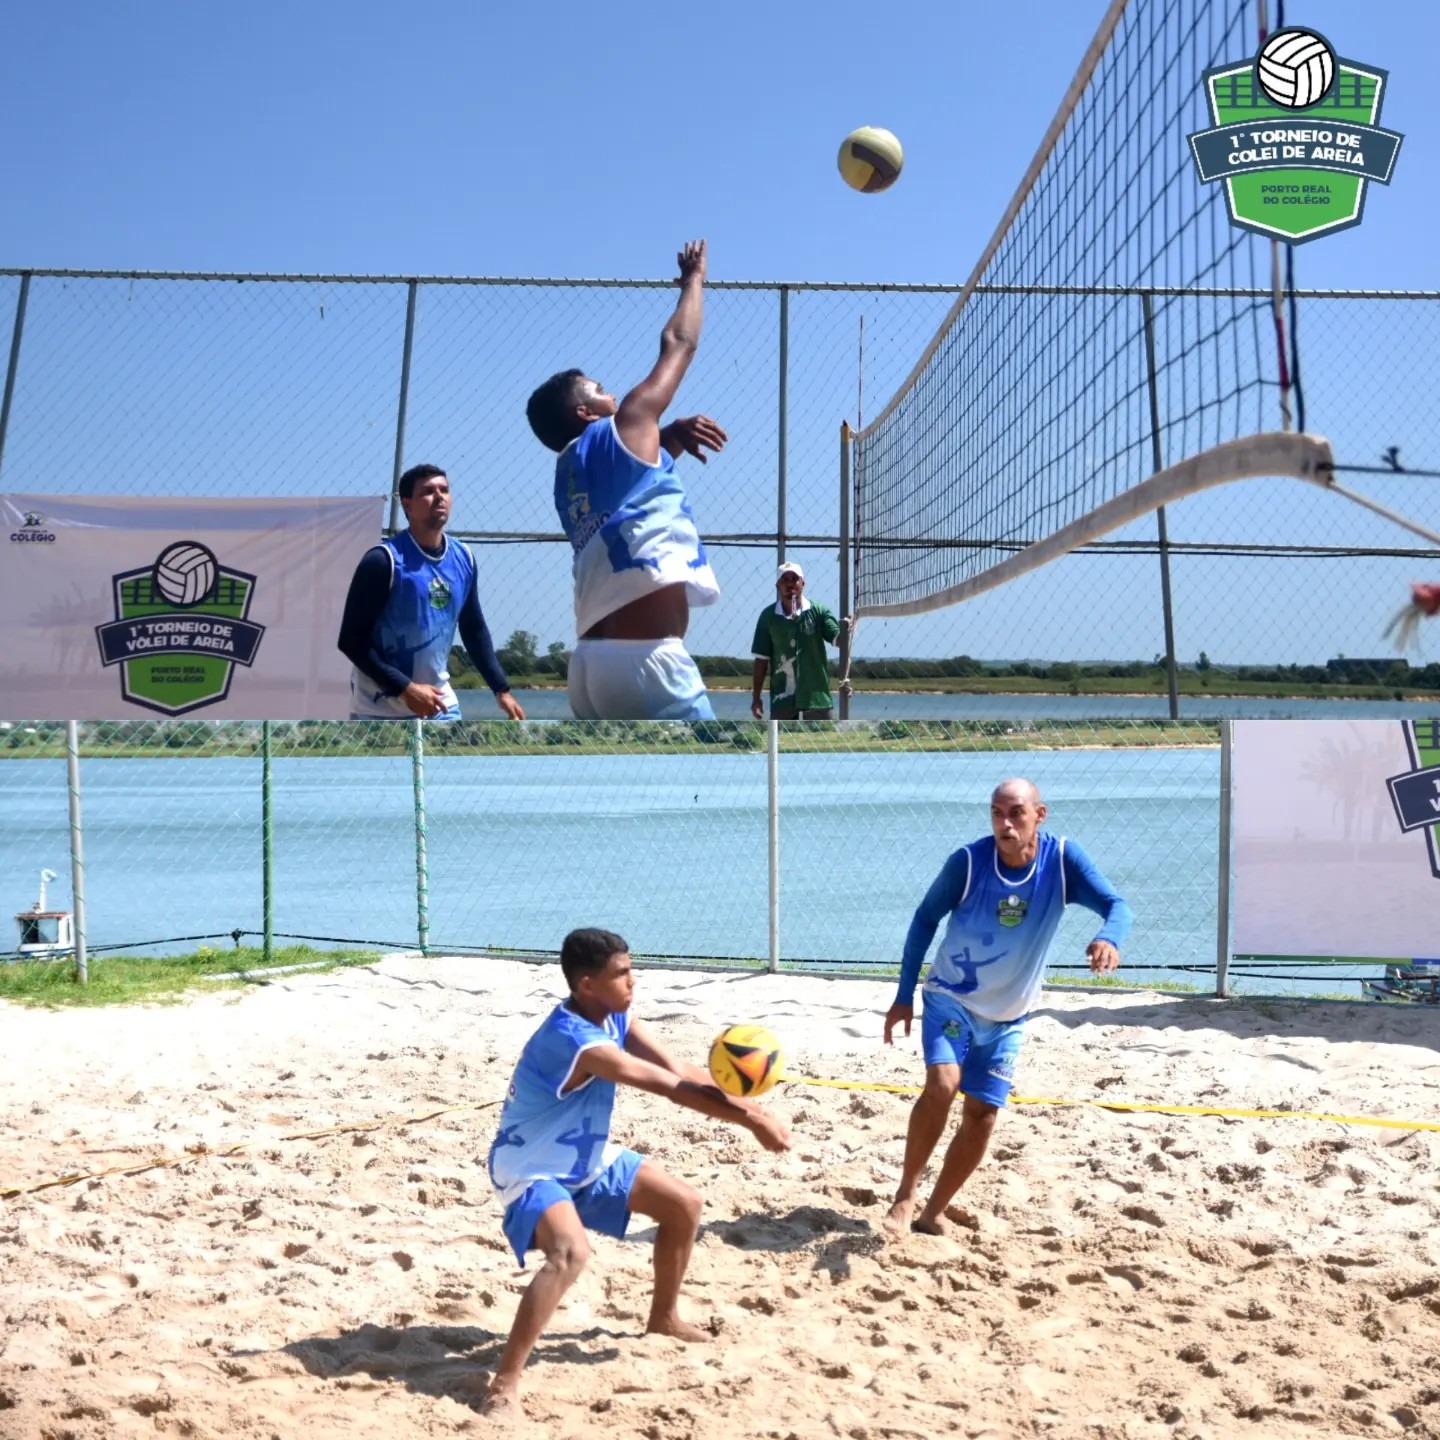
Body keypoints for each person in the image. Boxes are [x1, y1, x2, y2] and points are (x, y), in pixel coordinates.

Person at [483, 927, 791, 1415]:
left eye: (631, 970)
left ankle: (664, 1319)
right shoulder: (577, 1041)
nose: (633, 981)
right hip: (532, 1167)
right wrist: (750, 1121)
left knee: (683, 1205)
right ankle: (505, 1383)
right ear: (587, 984)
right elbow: (668, 1088)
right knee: (570, 1253)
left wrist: (752, 1103)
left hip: (583, 1155)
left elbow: (678, 1069)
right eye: (622, 974)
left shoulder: (615, 1016)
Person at [882, 778, 1132, 1236]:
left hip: (1009, 1015)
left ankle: (933, 1212)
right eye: (997, 813)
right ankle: (905, 1194)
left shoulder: (1062, 860)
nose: (1005, 824)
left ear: (1040, 815)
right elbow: (924, 919)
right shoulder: (968, 862)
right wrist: (902, 996)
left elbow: (1118, 905)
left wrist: (1109, 937)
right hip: (951, 997)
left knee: (982, 1116)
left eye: (1016, 813)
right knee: (943, 1084)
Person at [525, 240, 729, 721]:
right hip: (648, 662)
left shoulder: (567, 475)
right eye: (599, 390)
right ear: (585, 411)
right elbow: (680, 342)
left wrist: (668, 439)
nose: (610, 392)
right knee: (724, 766)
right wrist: (694, 280)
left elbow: (632, 490)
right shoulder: (631, 418)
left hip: (589, 667)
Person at [337, 463, 525, 720]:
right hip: (380, 710)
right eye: (428, 491)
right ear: (407, 504)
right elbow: (351, 641)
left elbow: (473, 628)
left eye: (444, 490)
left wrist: (501, 688)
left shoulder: (464, 557)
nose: (439, 497)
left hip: (441, 705)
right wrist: (406, 689)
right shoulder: (383, 561)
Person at [750, 561, 850, 720]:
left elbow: (838, 640)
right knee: (781, 734)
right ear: (778, 585)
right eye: (785, 579)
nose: (790, 584)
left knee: (825, 734)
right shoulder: (768, 616)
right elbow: (761, 659)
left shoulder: (819, 611)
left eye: (794, 579)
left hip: (817, 696)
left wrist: (848, 629)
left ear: (803, 583)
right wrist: (756, 698)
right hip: (782, 699)